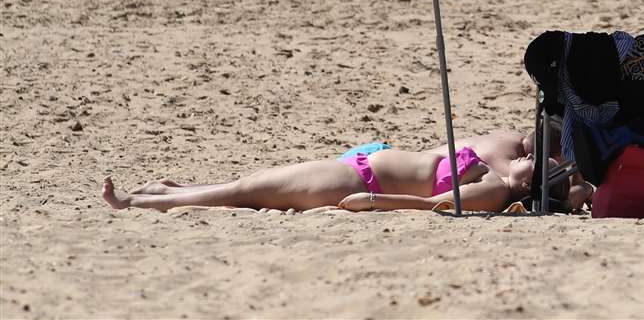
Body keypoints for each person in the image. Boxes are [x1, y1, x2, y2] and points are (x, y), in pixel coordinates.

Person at [103, 125, 590, 213]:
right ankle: (174, 187)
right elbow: (540, 129)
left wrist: (373, 201)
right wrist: (574, 174)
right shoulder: (512, 149)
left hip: (359, 180)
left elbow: (429, 204)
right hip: (360, 160)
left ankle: (144, 202)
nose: (532, 159)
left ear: (529, 190)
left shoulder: (492, 191)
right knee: (251, 183)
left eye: (537, 169)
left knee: (247, 191)